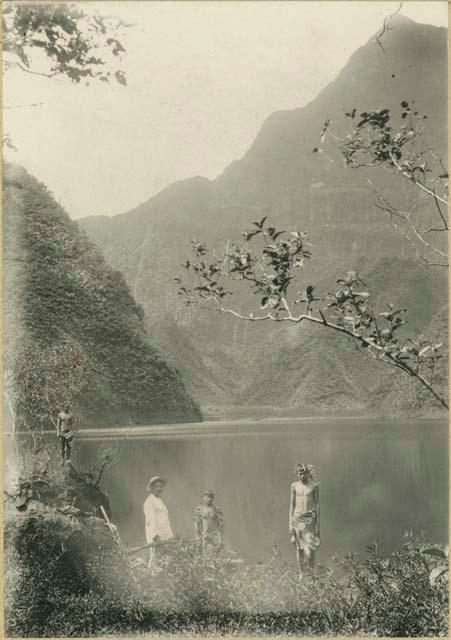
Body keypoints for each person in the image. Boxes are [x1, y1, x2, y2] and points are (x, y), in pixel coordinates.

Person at [289, 463, 320, 572]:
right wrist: (290, 525)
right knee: (299, 548)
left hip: (309, 517)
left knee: (310, 548)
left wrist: (317, 524)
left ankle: (311, 573)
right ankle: (301, 574)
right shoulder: (294, 486)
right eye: (300, 473)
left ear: (307, 473)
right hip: (297, 517)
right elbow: (292, 505)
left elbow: (317, 505)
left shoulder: (314, 486)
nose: (302, 475)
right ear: (297, 474)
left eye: (304, 473)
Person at [143, 476, 174, 571]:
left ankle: (163, 580)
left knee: (165, 561)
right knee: (155, 561)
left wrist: (170, 535)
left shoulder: (160, 501)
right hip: (157, 536)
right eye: (156, 486)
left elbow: (164, 520)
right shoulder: (149, 502)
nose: (159, 488)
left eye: (161, 486)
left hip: (165, 535)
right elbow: (151, 521)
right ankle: (151, 580)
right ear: (151, 488)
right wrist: (155, 536)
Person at [194, 490, 224, 555]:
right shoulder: (199, 509)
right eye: (207, 497)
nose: (209, 499)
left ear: (213, 498)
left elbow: (220, 525)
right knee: (204, 556)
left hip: (214, 536)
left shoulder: (217, 509)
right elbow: (196, 524)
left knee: (215, 555)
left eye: (211, 497)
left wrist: (220, 537)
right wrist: (197, 537)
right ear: (203, 498)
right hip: (204, 535)